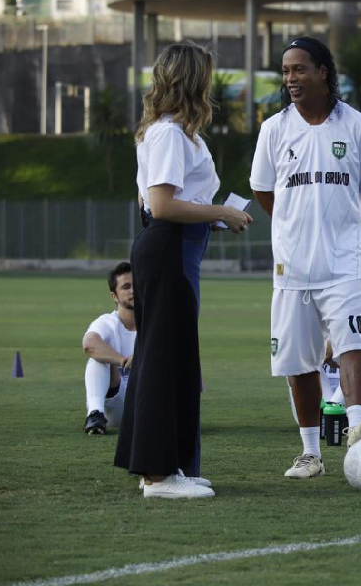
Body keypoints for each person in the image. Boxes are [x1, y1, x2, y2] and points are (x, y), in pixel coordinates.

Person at [114, 42, 253, 499]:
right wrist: (219, 211)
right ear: (194, 81)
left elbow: (154, 202)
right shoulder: (170, 134)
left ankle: (169, 463)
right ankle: (157, 475)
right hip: (169, 250)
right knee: (163, 358)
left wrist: (212, 217)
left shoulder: (171, 133)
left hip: (175, 248)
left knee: (171, 357)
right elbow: (160, 204)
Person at [250, 37, 361, 479]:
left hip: (345, 262)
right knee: (298, 362)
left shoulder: (357, 124)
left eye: (299, 69)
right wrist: (294, 225)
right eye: (286, 71)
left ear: (324, 72)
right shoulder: (274, 129)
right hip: (291, 267)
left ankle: (358, 434)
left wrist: (345, 227)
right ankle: (311, 453)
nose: (290, 79)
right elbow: (261, 189)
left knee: (351, 342)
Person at [288, 320, 361, 422]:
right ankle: (327, 410)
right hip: (316, 404)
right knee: (296, 352)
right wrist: (319, 352)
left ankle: (337, 409)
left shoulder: (358, 320)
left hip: (354, 401)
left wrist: (338, 346)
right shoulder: (310, 323)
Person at [82, 262, 136, 435]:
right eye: (126, 287)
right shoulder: (107, 323)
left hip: (149, 401)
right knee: (97, 359)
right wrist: (123, 361)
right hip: (117, 406)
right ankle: (95, 415)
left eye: (137, 285)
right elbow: (89, 344)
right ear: (114, 296)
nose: (133, 291)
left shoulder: (157, 322)